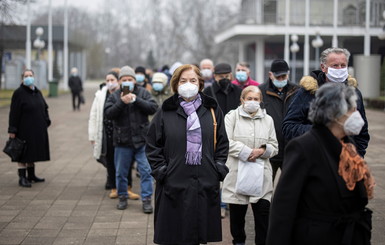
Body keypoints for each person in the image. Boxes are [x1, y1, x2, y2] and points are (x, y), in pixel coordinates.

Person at [267, 83, 375, 245]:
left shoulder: (348, 145)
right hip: (318, 236)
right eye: (352, 109)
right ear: (335, 114)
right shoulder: (304, 147)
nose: (357, 114)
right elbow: (283, 207)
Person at [146, 64, 230, 245]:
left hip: (204, 181)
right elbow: (152, 145)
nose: (188, 84)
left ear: (200, 83)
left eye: (192, 80)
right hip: (174, 182)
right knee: (174, 234)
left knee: (198, 234)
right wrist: (161, 171)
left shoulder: (212, 110)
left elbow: (222, 143)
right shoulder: (165, 111)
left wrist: (219, 168)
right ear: (176, 84)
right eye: (183, 81)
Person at [282, 47, 370, 157]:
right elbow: (288, 127)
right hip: (315, 159)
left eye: (343, 65)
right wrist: (322, 131)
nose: (339, 69)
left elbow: (362, 132)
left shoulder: (354, 93)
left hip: (345, 159)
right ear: (323, 67)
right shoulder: (307, 92)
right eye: (335, 65)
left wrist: (357, 157)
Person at [222, 85, 278, 245]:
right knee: (237, 220)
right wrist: (246, 152)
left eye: (256, 99)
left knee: (263, 218)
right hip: (237, 175)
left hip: (261, 178)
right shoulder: (231, 117)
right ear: (242, 100)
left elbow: (274, 146)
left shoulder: (268, 120)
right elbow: (225, 142)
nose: (252, 102)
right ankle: (238, 242)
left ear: (261, 101)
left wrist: (261, 151)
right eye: (249, 99)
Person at [104, 65, 158, 212]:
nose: (127, 82)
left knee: (146, 171)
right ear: (120, 81)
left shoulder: (143, 92)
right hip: (122, 141)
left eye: (130, 79)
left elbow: (153, 107)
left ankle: (147, 200)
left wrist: (136, 100)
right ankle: (122, 197)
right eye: (124, 79)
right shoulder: (114, 96)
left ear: (135, 81)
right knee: (121, 172)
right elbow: (109, 113)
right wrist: (122, 102)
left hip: (141, 141)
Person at [88, 71, 140, 200]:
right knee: (110, 161)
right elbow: (94, 115)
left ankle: (127, 187)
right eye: (107, 80)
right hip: (107, 133)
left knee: (126, 162)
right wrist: (92, 136)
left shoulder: (124, 93)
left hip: (123, 133)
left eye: (112, 80)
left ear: (118, 81)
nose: (110, 82)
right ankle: (114, 187)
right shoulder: (101, 95)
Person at [8, 69, 50, 187]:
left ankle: (31, 175)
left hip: (36, 129)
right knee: (23, 153)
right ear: (22, 78)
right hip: (23, 129)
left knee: (32, 152)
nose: (29, 78)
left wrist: (46, 120)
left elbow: (44, 107)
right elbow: (14, 112)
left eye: (30, 75)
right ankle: (22, 178)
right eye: (26, 76)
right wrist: (12, 129)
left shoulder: (37, 92)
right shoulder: (19, 93)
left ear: (34, 77)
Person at [258, 59, 299, 180]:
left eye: (284, 76)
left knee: (291, 187)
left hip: (291, 149)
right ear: (270, 75)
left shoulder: (297, 91)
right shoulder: (260, 91)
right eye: (278, 77)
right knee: (265, 188)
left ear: (288, 74)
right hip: (269, 149)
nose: (281, 79)